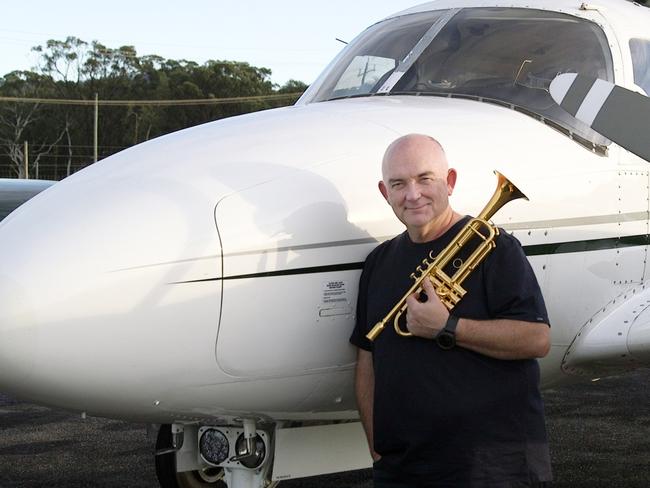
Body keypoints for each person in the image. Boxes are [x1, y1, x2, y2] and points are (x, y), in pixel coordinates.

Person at [350, 134, 552, 487]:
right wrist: (376, 446)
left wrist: (448, 326)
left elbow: (536, 339)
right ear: (385, 192)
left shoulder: (496, 248)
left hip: (491, 468)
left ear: (451, 182)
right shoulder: (378, 263)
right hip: (403, 469)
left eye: (425, 179)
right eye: (398, 184)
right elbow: (367, 359)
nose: (412, 195)